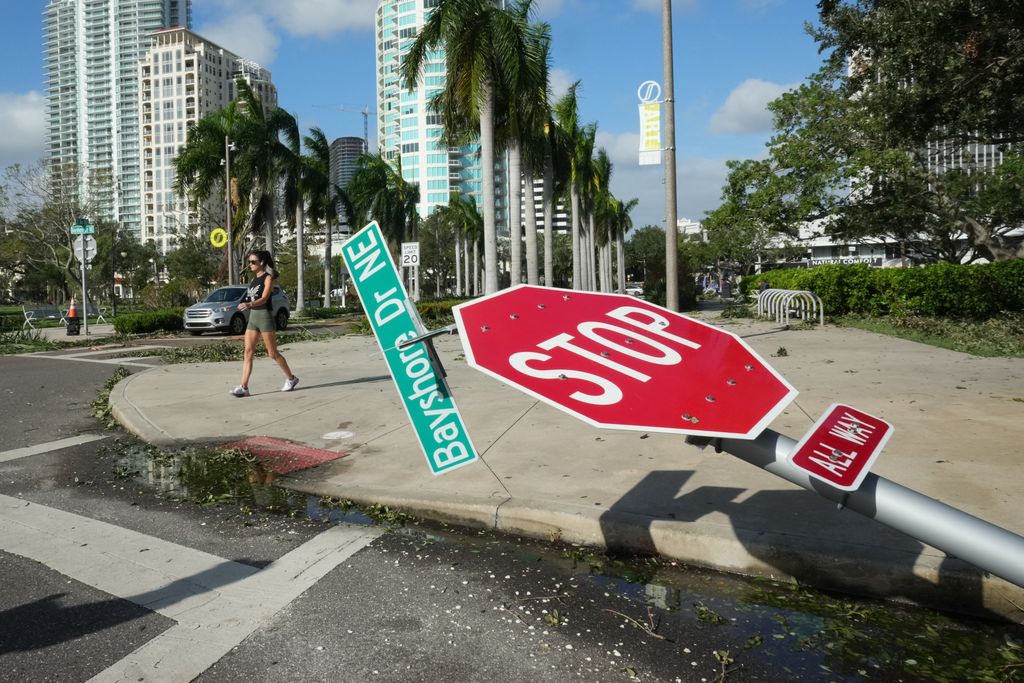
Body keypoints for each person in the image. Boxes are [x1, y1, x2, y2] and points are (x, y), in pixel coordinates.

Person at [229, 250, 299, 397]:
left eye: (253, 262)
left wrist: (249, 304)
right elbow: (251, 298)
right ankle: (244, 387)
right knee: (248, 352)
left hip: (265, 317)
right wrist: (244, 304)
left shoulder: (268, 278)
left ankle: (291, 379)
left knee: (272, 353)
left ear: (261, 263)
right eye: (249, 262)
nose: (250, 265)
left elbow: (265, 298)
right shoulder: (254, 280)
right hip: (253, 318)